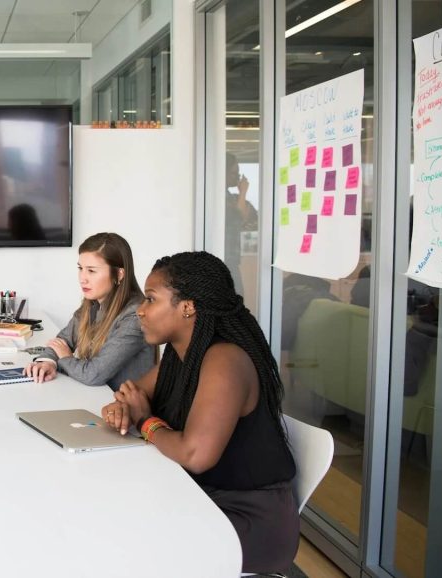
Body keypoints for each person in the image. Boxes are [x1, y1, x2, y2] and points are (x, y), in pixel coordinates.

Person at [103, 251, 298, 574]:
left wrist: (144, 420)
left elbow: (195, 454)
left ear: (188, 306)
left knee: (123, 539)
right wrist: (120, 409)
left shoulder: (225, 360)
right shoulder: (181, 356)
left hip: (245, 521)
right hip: (199, 496)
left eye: (151, 299)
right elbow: (130, 394)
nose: (140, 310)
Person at [24, 232, 154, 389]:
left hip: (123, 408)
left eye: (91, 271)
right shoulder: (92, 303)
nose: (82, 278)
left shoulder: (134, 317)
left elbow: (93, 374)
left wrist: (65, 357)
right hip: (99, 399)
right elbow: (63, 340)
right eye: (81, 268)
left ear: (119, 274)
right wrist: (47, 362)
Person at [225, 152, 258, 296]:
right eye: (234, 173)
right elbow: (237, 218)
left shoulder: (233, 199)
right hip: (225, 258)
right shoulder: (218, 198)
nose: (238, 177)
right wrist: (243, 192)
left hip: (231, 259)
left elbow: (251, 222)